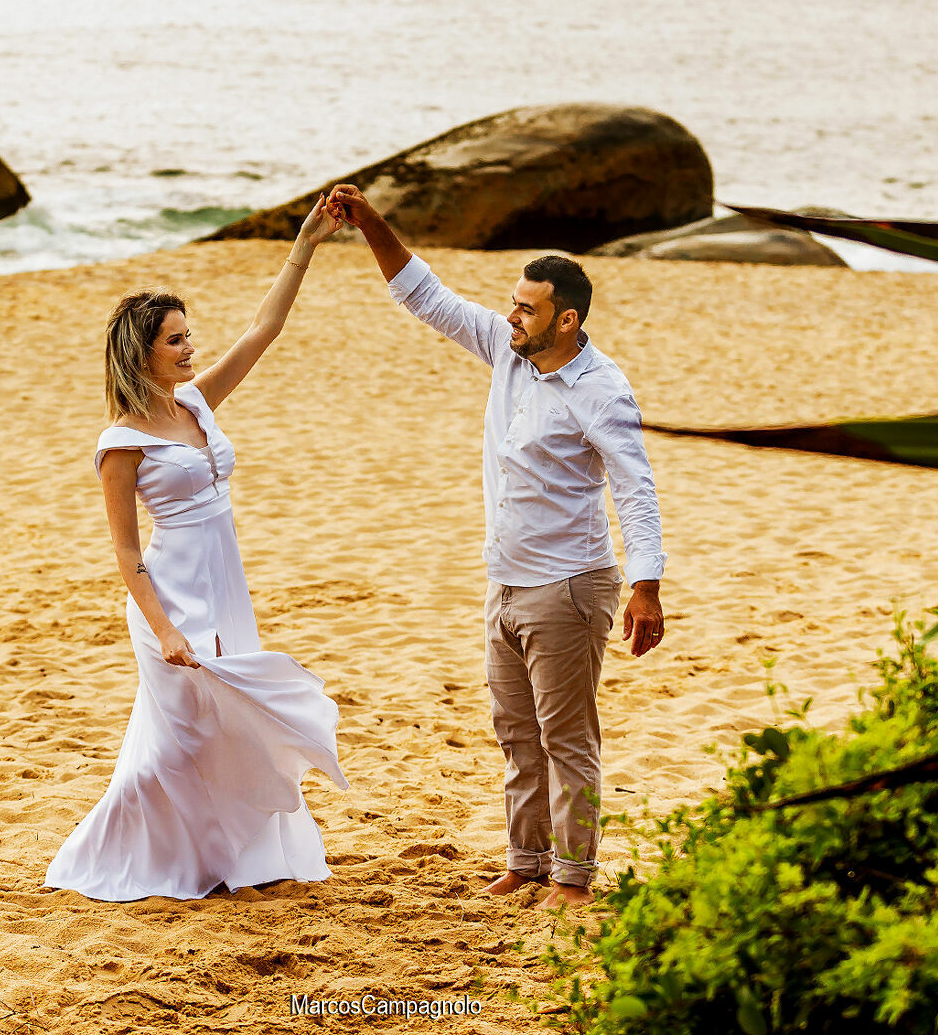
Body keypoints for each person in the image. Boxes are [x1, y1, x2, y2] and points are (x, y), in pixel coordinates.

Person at [325, 185, 667, 909]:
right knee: (515, 734)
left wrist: (646, 586)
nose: (510, 316)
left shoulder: (601, 390)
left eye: (526, 307)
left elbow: (633, 489)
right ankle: (526, 862)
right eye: (511, 303)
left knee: (566, 740)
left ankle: (572, 880)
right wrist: (368, 221)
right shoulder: (507, 351)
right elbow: (424, 295)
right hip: (504, 582)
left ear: (565, 319)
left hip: (569, 586)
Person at [43, 197, 349, 902]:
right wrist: (164, 628)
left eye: (188, 335)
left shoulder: (198, 404)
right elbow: (124, 551)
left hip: (225, 587)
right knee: (178, 742)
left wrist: (304, 241)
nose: (190, 347)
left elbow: (263, 330)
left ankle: (230, 859)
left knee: (230, 728)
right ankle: (137, 857)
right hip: (171, 596)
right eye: (176, 340)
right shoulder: (120, 442)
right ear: (142, 352)